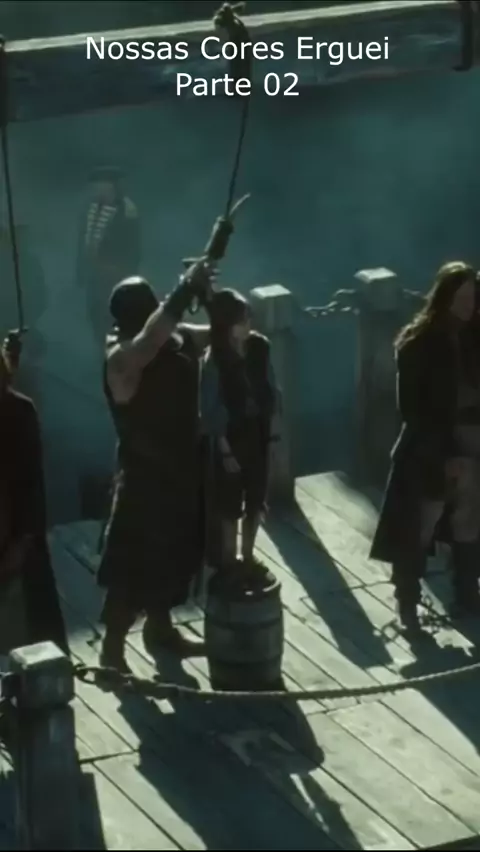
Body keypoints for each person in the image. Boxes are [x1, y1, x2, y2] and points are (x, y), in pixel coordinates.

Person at [98, 260, 213, 672]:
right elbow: (151, 338)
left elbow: (211, 332)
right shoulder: (121, 359)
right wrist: (185, 288)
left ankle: (161, 630)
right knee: (133, 565)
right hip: (144, 475)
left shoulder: (174, 340)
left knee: (176, 554)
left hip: (181, 466)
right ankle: (112, 652)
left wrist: (210, 296)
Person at [370, 261, 480, 633]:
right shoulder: (418, 343)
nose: (468, 305)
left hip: (473, 445)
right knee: (419, 525)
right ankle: (408, 605)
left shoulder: (474, 336)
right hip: (432, 447)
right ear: (445, 297)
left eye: (472, 297)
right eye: (461, 297)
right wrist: (445, 454)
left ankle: (467, 593)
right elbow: (413, 409)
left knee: (469, 521)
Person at [201, 289, 279, 584]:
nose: (248, 325)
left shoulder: (259, 347)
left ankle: (248, 555)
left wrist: (272, 432)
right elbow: (210, 407)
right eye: (241, 321)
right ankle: (228, 559)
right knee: (229, 503)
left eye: (248, 319)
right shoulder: (215, 359)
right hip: (230, 437)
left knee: (256, 498)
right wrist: (224, 450)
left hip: (258, 432)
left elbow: (271, 389)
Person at [0, 332, 68, 655]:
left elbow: (30, 485)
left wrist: (21, 543)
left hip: (16, 538)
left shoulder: (18, 412)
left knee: (32, 634)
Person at [76, 167, 140, 347]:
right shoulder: (90, 208)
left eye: (100, 185)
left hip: (114, 277)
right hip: (93, 277)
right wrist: (81, 271)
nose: (96, 190)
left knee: (112, 319)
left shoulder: (126, 210)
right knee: (95, 317)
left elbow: (133, 248)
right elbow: (82, 240)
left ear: (110, 186)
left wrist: (124, 274)